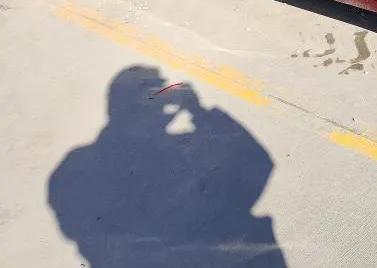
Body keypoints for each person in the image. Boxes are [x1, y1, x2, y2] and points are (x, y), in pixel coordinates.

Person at [48, 66, 286, 268]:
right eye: (154, 91)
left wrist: (198, 114)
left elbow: (256, 164)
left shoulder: (81, 164)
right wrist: (199, 113)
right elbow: (256, 164)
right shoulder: (169, 154)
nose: (163, 97)